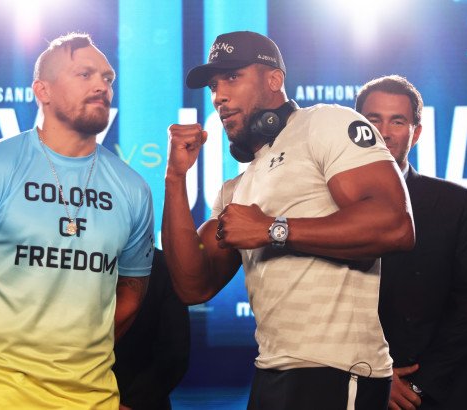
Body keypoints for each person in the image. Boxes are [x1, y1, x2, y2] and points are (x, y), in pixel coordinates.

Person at [163, 31, 415, 409]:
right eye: (214, 85)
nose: (219, 96)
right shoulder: (237, 188)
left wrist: (271, 229)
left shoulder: (324, 123)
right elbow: (192, 286)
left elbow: (395, 225)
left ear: (274, 79)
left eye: (232, 77)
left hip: (337, 370)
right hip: (272, 370)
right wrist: (175, 177)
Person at [0, 32, 155, 409]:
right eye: (84, 74)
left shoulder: (133, 189)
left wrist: (76, 367)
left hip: (94, 399)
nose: (101, 86)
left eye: (107, 78)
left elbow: (131, 295)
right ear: (43, 90)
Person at [356, 75, 467, 410]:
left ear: (415, 133)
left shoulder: (455, 203)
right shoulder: (322, 204)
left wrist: (417, 384)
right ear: (355, 128)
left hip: (437, 394)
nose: (384, 132)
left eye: (397, 121)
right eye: (373, 120)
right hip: (353, 389)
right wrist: (373, 377)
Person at [113, 248, 190, 410]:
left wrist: (131, 403)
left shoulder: (164, 265)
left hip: (137, 400)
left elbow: (175, 353)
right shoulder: (165, 263)